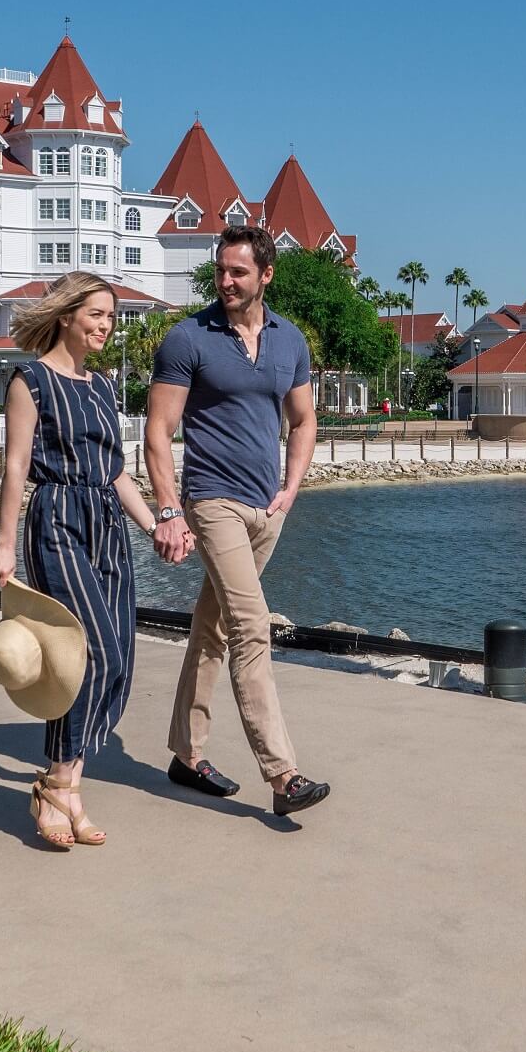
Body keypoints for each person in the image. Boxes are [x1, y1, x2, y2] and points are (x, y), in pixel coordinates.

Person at [147, 226, 330, 817]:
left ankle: (186, 751)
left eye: (238, 273)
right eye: (220, 272)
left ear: (265, 275)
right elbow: (159, 431)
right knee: (252, 626)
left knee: (214, 628)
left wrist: (291, 488)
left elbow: (303, 421)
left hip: (265, 509)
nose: (225, 282)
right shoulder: (187, 338)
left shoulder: (290, 340)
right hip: (212, 501)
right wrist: (170, 510)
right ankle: (283, 776)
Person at [0, 272, 161, 850]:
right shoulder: (29, 381)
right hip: (57, 518)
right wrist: (5, 542)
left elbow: (115, 470)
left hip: (107, 522)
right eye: (97, 314)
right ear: (65, 315)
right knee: (88, 652)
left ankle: (68, 787)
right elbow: (15, 467)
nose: (107, 325)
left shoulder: (104, 387)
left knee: (118, 660)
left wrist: (157, 523)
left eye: (112, 316)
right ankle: (57, 786)